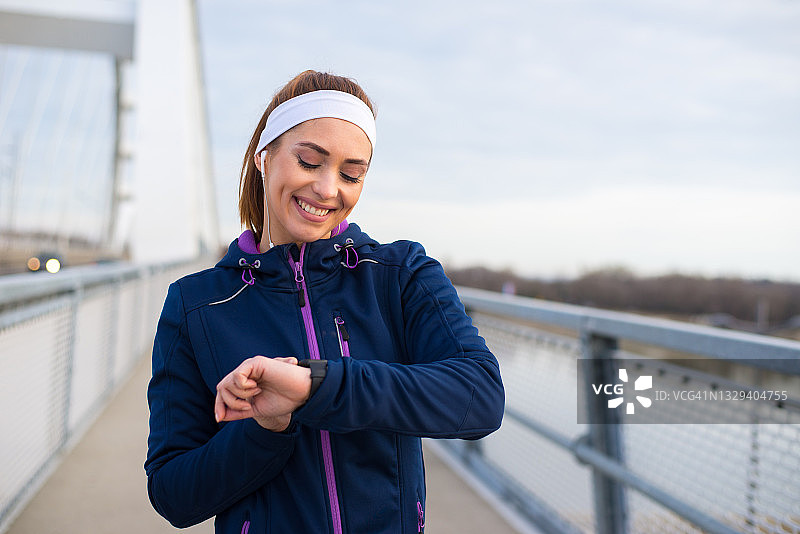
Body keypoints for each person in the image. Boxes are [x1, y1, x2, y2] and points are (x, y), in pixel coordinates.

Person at [145, 70, 505, 534]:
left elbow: (479, 396)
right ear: (264, 157)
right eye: (310, 162)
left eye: (351, 174)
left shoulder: (401, 274)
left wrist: (318, 387)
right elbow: (173, 494)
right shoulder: (196, 304)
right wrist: (266, 428)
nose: (329, 189)